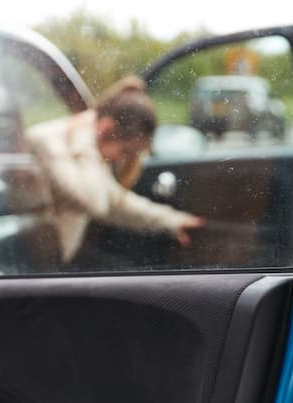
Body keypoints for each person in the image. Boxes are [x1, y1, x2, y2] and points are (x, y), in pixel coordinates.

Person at [25, 76, 204, 265]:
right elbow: (97, 203)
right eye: (126, 151)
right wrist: (84, 138)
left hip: (54, 261)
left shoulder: (86, 151)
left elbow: (115, 201)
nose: (122, 160)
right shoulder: (49, 143)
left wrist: (172, 221)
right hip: (33, 270)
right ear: (106, 128)